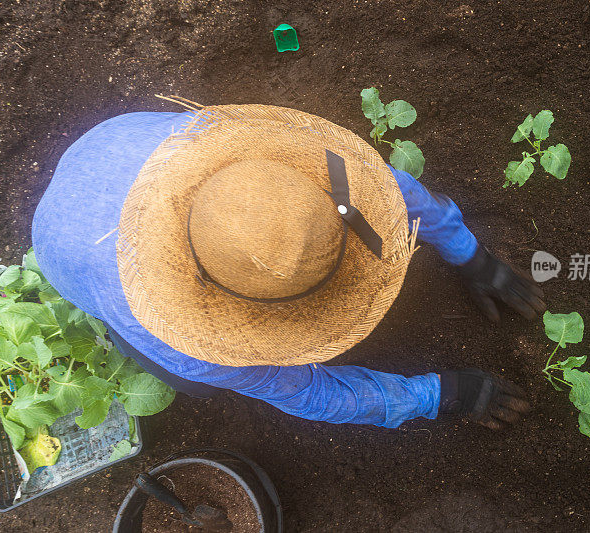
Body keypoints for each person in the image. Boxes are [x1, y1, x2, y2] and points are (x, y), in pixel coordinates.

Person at [32, 102, 545, 430]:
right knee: (190, 381)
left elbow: (406, 198)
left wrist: (474, 258)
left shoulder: (296, 179)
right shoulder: (195, 343)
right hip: (67, 246)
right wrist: (441, 394)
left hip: (113, 142)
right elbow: (317, 395)